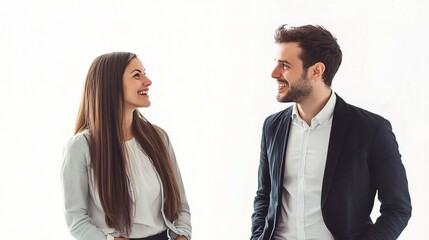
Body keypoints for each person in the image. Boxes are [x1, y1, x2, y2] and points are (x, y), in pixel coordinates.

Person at [251, 24, 411, 240]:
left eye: (285, 65)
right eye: (276, 64)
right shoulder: (272, 126)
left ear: (316, 71)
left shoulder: (370, 129)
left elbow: (398, 208)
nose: (274, 73)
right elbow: (264, 195)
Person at [61, 52, 191, 240]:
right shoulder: (81, 147)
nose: (148, 81)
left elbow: (180, 206)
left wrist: (183, 235)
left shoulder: (159, 138)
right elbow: (76, 219)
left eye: (144, 73)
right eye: (137, 75)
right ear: (111, 85)